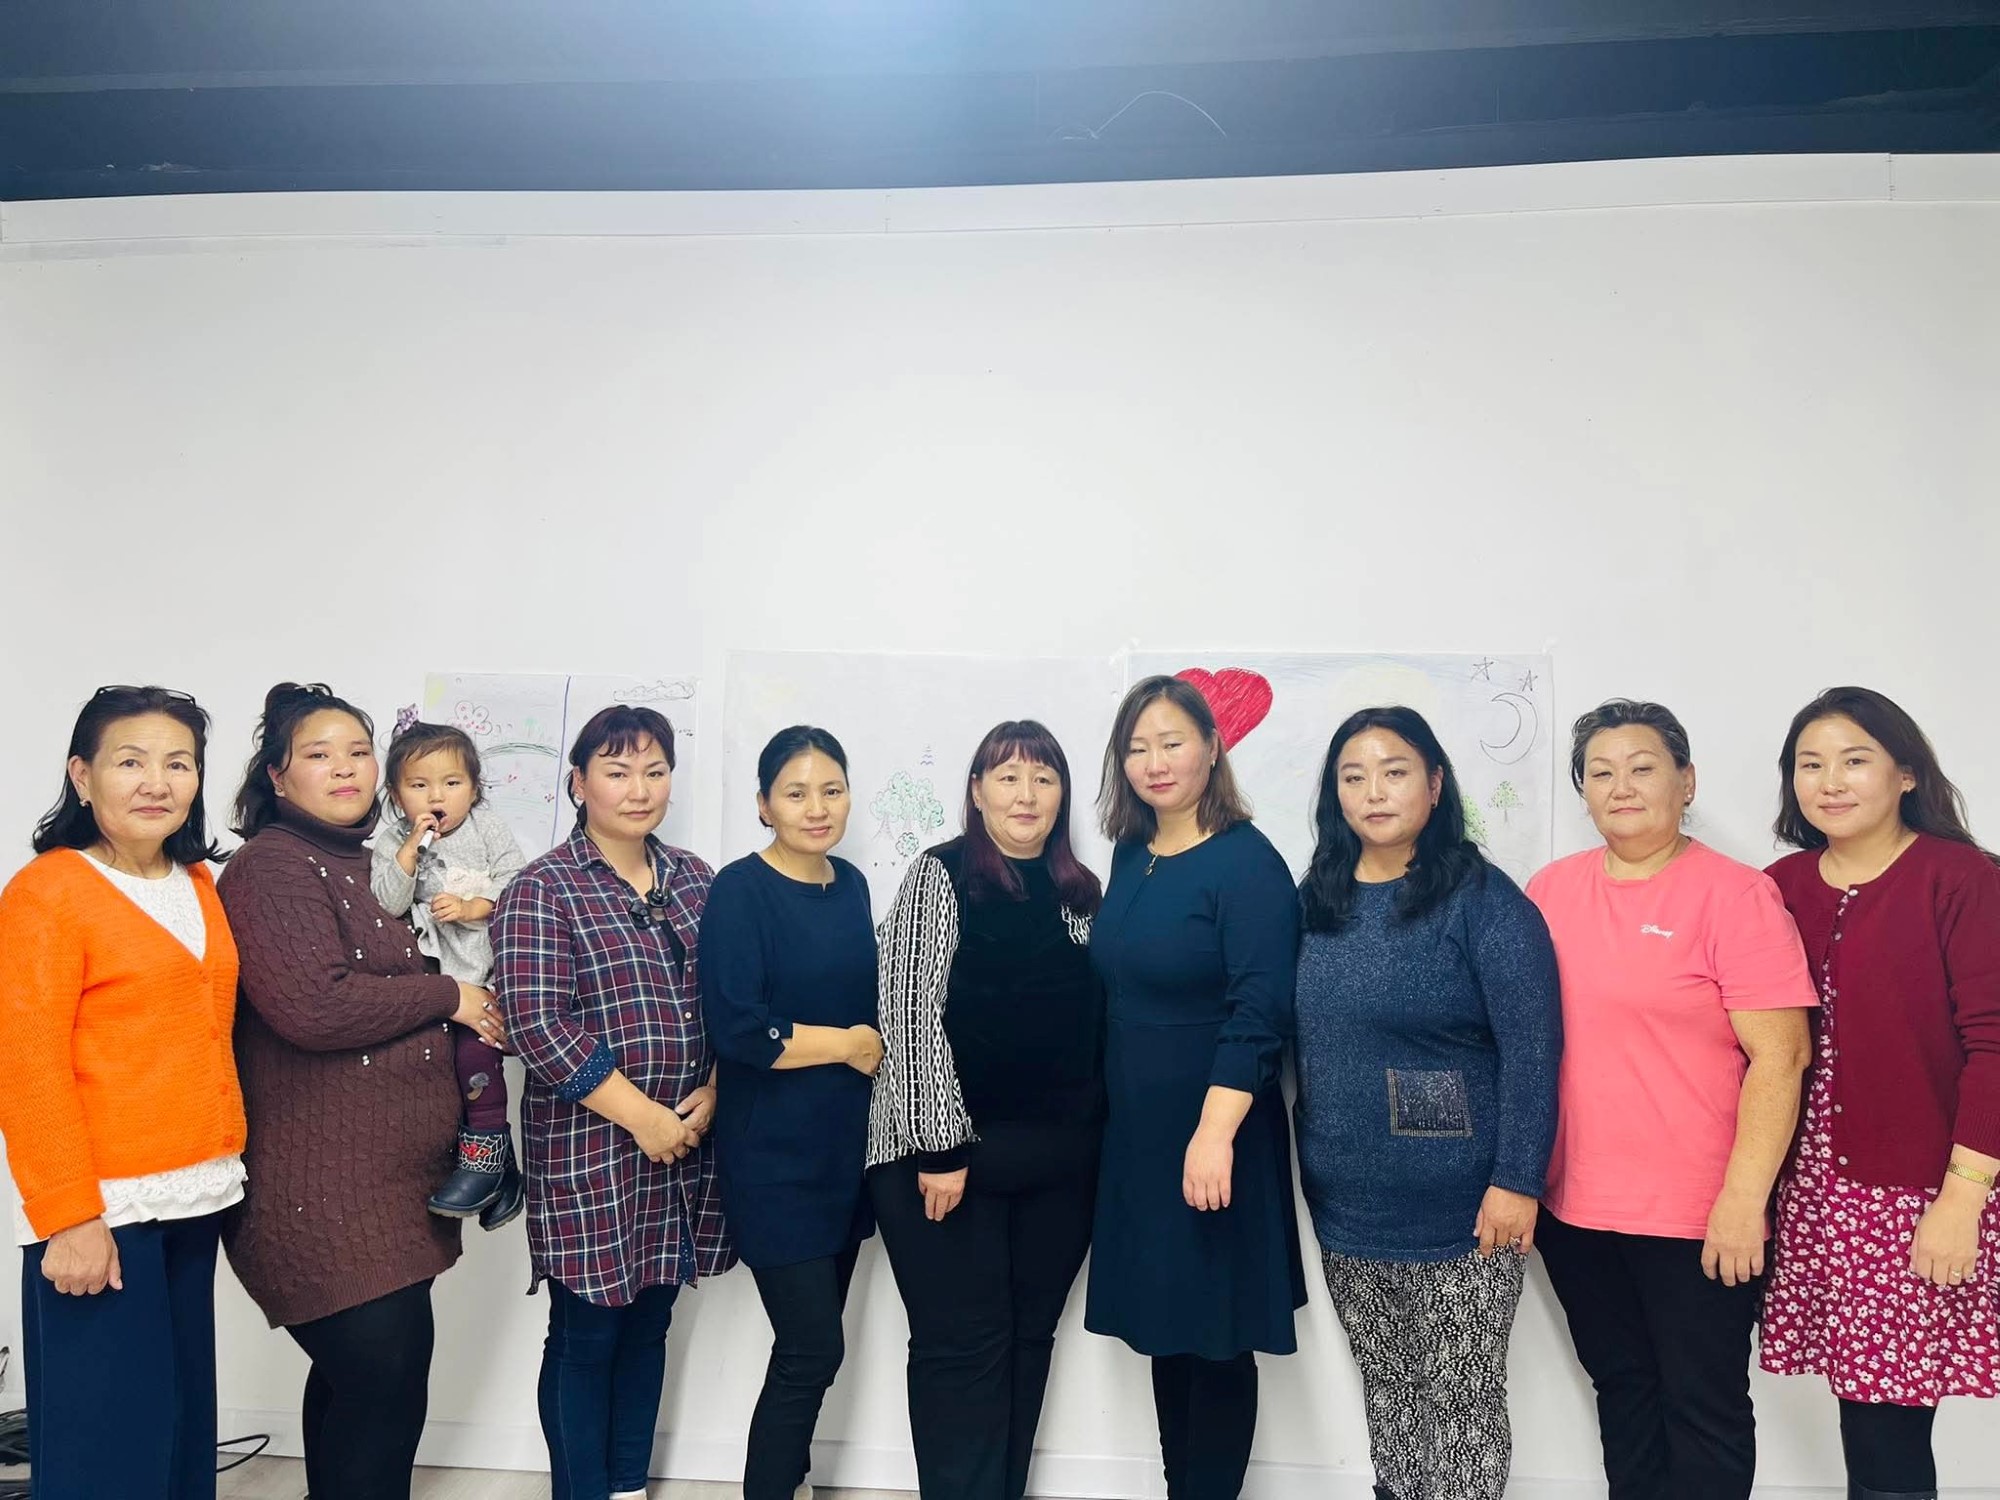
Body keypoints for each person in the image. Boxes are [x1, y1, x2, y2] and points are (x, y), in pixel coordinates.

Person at [218, 683, 502, 1500]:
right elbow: (315, 1005)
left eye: (358, 752)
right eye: (319, 754)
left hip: (390, 1187)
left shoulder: (379, 861)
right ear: (278, 776)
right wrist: (450, 997)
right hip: (320, 1193)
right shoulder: (272, 866)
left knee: (361, 1389)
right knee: (382, 1385)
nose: (345, 768)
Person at [1527, 698, 1816, 1500]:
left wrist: (1743, 1201)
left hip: (1697, 1213)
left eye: (1643, 767)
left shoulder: (1735, 895)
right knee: (1622, 1391)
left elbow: (1782, 1057)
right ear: (1583, 791)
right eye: (1601, 772)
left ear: (1686, 782)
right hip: (1575, 1207)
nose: (1621, 786)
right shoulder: (1550, 891)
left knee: (1703, 1405)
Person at [1292, 706, 1561, 1500]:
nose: (1374, 792)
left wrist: (1517, 1180)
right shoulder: (1318, 901)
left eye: (1395, 771)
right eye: (1353, 777)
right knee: (1391, 1393)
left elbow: (1534, 1050)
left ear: (1436, 784)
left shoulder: (1484, 901)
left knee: (1462, 1401)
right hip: (1348, 1206)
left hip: (1466, 1213)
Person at [0, 685, 244, 1500]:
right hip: (105, 1207)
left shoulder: (196, 880)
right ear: (82, 775)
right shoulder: (48, 892)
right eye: (130, 762)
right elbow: (26, 1064)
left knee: (178, 1436)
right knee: (106, 1454)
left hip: (196, 1192)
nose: (156, 783)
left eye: (178, 764)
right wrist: (69, 1216)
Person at [1757, 686, 2000, 1500]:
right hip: (1809, 1195)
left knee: (1888, 1425)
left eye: (1854, 760)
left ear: (1905, 774)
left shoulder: (1959, 878)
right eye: (1810, 764)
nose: (1829, 781)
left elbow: (1995, 1047)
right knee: (1860, 1409)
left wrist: (1961, 1202)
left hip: (1915, 1195)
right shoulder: (1780, 884)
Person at [492, 704, 732, 1500]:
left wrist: (714, 1088)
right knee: (588, 1330)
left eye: (655, 771)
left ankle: (628, 1486)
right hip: (589, 1145)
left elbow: (732, 1000)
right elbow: (538, 1023)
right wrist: (645, 1117)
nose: (639, 789)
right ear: (579, 783)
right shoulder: (542, 888)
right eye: (618, 771)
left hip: (685, 1144)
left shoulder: (696, 880)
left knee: (650, 1322)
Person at [868, 719, 1106, 1500]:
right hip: (947, 1164)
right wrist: (940, 1148)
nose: (1026, 794)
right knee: (961, 1350)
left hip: (1059, 1168)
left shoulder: (1080, 892)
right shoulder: (939, 876)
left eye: (1043, 777)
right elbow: (908, 1013)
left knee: (1028, 1342)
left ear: (1062, 793)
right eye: (1007, 777)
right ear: (976, 792)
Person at [1085, 674, 1305, 1500]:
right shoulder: (1132, 853)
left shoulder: (1247, 863)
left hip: (1216, 1133)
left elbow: (1260, 1013)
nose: (1155, 762)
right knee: (1167, 1329)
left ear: (1212, 748)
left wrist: (1213, 1135)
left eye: (1172, 742)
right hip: (1141, 1139)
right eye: (1137, 747)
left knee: (1215, 1339)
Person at [700, 725, 881, 1500]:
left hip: (845, 1154)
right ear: (763, 804)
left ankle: (790, 1480)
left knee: (812, 1351)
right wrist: (847, 1045)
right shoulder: (740, 891)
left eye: (831, 790)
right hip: (772, 1159)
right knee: (813, 1349)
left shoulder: (853, 885)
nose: (817, 808)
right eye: (797, 793)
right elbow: (740, 1029)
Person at [370, 719, 528, 1226]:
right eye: (419, 785)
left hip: (483, 972)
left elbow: (520, 886)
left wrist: (472, 906)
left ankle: (486, 1158)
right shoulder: (394, 840)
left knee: (475, 1057)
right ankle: (502, 1175)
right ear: (397, 796)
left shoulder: (487, 829)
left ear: (474, 789)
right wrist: (409, 850)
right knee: (439, 1072)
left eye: (452, 783)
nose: (436, 796)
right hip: (430, 979)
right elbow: (387, 903)